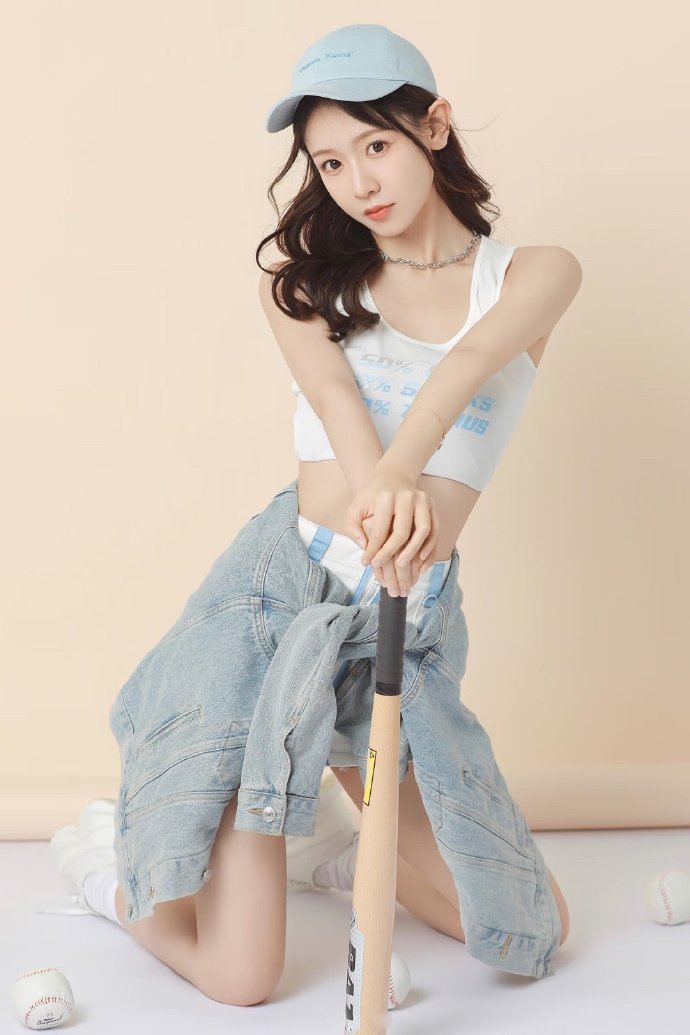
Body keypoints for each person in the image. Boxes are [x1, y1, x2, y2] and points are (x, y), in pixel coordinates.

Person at [45, 22, 580, 1009]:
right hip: (278, 613)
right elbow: (338, 406)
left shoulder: (534, 273)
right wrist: (389, 489)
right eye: (330, 162)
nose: (357, 181)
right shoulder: (300, 286)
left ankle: (332, 835)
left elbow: (467, 365)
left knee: (523, 928)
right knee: (243, 977)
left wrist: (404, 476)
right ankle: (101, 864)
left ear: (434, 125)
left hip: (403, 623)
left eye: (375, 144)